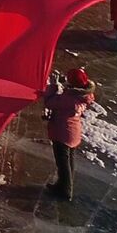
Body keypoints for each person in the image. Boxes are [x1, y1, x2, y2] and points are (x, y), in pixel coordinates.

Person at [42, 67, 96, 200]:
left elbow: (50, 102)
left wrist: (54, 86)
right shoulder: (82, 96)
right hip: (73, 132)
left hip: (63, 134)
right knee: (68, 162)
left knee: (63, 164)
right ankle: (62, 185)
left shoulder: (69, 99)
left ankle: (65, 191)